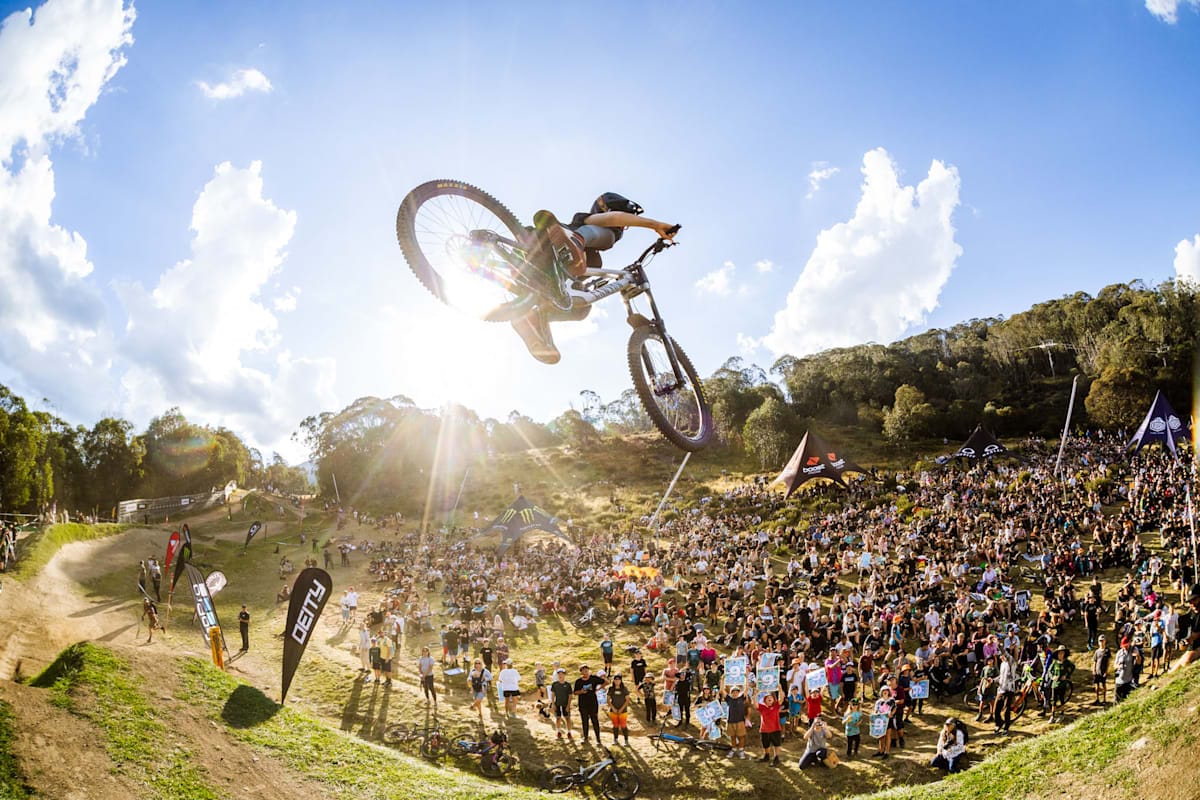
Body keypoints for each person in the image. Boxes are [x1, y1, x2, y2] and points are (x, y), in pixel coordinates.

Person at [510, 194, 679, 364]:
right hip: (539, 247)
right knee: (609, 236)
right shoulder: (586, 220)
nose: (622, 227)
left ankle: (531, 319)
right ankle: (574, 240)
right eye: (624, 223)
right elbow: (614, 218)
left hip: (535, 275)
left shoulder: (592, 260)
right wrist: (655, 225)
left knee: (581, 308)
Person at [574, 664, 606, 744]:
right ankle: (585, 737)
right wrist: (581, 691)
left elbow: (606, 682)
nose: (585, 671)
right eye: (583, 670)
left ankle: (598, 739)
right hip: (583, 704)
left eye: (586, 669)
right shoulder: (578, 681)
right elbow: (575, 692)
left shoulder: (593, 678)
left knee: (595, 721)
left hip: (593, 703)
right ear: (581, 672)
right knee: (585, 721)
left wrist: (598, 689)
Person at [755, 691, 783, 766]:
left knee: (776, 744)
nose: (769, 698)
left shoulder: (776, 706)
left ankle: (776, 758)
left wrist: (780, 689)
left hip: (775, 729)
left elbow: (781, 698)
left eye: (771, 697)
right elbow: (755, 703)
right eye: (767, 698)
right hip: (764, 730)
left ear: (774, 699)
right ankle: (766, 756)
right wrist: (755, 694)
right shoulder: (762, 707)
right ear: (765, 700)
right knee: (765, 744)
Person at [724, 685, 749, 759]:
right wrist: (722, 680)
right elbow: (722, 690)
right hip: (731, 721)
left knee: (741, 737)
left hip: (740, 721)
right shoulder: (729, 699)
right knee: (732, 737)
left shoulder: (741, 698)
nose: (735, 693)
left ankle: (741, 750)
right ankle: (733, 749)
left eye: (736, 692)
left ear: (738, 693)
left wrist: (746, 679)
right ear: (731, 693)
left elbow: (746, 689)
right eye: (733, 692)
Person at [551, 668, 574, 740]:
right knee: (558, 718)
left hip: (565, 704)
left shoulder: (568, 685)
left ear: (564, 675)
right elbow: (553, 694)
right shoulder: (555, 684)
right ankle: (558, 732)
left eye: (562, 674)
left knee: (567, 718)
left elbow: (570, 696)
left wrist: (568, 705)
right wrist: (553, 704)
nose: (560, 675)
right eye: (559, 674)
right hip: (557, 703)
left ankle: (569, 732)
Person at [607, 674, 631, 745]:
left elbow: (627, 700)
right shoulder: (611, 689)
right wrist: (613, 708)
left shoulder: (624, 689)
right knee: (615, 725)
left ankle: (626, 740)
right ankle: (615, 739)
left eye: (618, 680)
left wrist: (621, 709)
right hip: (613, 710)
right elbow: (608, 700)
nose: (617, 681)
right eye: (615, 679)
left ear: (621, 680)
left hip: (623, 711)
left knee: (623, 725)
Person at [1115, 637, 1135, 701]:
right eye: (1124, 646)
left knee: (1126, 699)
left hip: (1128, 680)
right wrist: (1118, 666)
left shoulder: (1132, 650)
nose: (1125, 647)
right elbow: (1114, 666)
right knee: (1117, 700)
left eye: (1126, 646)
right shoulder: (1119, 653)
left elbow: (1138, 662)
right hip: (1119, 680)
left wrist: (1137, 656)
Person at [1093, 635, 1111, 705]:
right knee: (1096, 686)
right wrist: (1094, 670)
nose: (1101, 642)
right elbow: (1095, 661)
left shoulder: (1107, 651)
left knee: (1103, 685)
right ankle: (1097, 699)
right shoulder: (1097, 651)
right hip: (1097, 671)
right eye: (1100, 641)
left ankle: (1104, 699)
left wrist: (1106, 671)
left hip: (1103, 671)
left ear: (1105, 641)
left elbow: (1108, 662)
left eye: (1102, 641)